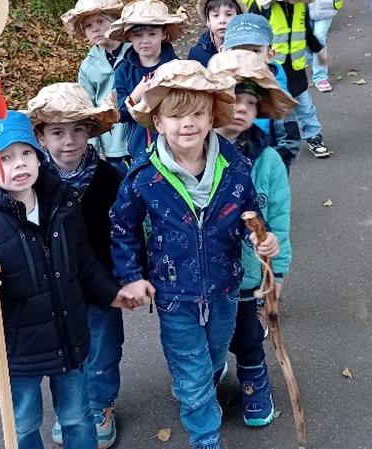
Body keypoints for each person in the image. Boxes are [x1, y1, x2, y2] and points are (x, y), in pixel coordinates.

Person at [110, 59, 280, 449]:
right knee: (192, 368)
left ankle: (202, 382)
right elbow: (122, 228)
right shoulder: (144, 177)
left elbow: (249, 214)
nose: (187, 123)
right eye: (176, 115)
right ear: (158, 122)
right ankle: (205, 436)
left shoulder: (235, 167)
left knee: (214, 356)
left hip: (224, 288)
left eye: (197, 113)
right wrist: (132, 275)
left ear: (211, 117)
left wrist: (261, 239)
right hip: (175, 295)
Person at [0, 111, 137, 449]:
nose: (18, 164)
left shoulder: (62, 204)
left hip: (69, 339)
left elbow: (84, 263)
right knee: (23, 424)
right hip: (17, 350)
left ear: (38, 155)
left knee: (77, 417)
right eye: (4, 158)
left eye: (25, 153)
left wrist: (112, 293)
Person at [26, 83, 124, 449]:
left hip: (100, 281)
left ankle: (100, 403)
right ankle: (72, 408)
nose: (69, 140)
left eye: (78, 130)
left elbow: (125, 231)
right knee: (64, 348)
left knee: (102, 343)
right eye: (57, 132)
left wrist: (128, 275)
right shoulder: (33, 181)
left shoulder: (109, 177)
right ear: (41, 137)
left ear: (90, 132)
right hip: (55, 284)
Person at [209, 50, 294, 427]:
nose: (241, 109)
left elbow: (278, 218)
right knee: (204, 337)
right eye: (232, 99)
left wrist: (279, 268)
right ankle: (204, 380)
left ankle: (254, 381)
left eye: (250, 102)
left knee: (247, 335)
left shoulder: (269, 162)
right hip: (203, 274)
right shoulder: (194, 153)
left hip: (246, 275)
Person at [244, 0, 332, 158]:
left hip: (296, 70)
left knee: (305, 107)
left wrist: (318, 50)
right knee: (275, 111)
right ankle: (273, 143)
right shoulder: (263, 6)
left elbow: (306, 31)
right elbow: (251, 37)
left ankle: (314, 136)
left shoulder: (300, 5)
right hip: (273, 72)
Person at [107, 0, 185, 163]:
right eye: (138, 35)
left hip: (175, 147)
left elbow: (185, 106)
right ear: (129, 36)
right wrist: (136, 95)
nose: (145, 40)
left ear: (163, 34)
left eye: (152, 34)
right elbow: (119, 114)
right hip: (139, 149)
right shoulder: (123, 70)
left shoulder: (176, 67)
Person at [222, 13, 301, 169]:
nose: (246, 58)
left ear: (270, 55)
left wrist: (272, 171)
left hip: (264, 177)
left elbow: (290, 140)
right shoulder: (219, 88)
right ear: (223, 52)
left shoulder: (278, 96)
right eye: (238, 51)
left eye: (255, 51)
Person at [61, 0, 132, 174]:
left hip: (141, 134)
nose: (95, 29)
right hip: (112, 142)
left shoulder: (135, 52)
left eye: (100, 22)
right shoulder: (88, 66)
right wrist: (91, 146)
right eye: (88, 26)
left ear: (114, 21)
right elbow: (87, 107)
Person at [187, 0, 247, 67]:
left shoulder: (250, 51)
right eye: (215, 15)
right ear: (208, 21)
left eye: (229, 14)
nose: (222, 20)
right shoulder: (197, 55)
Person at [308, 0, 343, 92]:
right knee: (305, 39)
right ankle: (316, 61)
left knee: (319, 38)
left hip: (326, 8)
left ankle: (320, 76)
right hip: (301, 7)